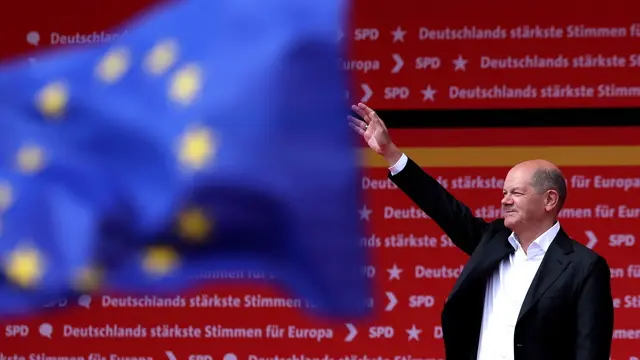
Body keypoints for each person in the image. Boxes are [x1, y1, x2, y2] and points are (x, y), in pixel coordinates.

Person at [348, 103, 614, 360]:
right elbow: (444, 208)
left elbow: (590, 350)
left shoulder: (584, 267)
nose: (505, 200)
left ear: (549, 200)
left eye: (517, 193)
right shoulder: (492, 241)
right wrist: (392, 154)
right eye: (504, 193)